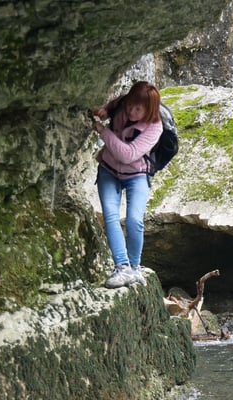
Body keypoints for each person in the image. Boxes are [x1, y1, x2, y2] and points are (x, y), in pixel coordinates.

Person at [91, 81, 163, 288]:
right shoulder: (122, 104)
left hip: (137, 174)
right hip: (108, 170)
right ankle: (122, 267)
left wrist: (102, 131)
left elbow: (128, 155)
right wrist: (104, 111)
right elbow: (110, 108)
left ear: (149, 110)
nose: (131, 111)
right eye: (130, 105)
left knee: (134, 221)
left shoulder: (155, 127)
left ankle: (134, 267)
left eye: (138, 109)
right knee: (111, 216)